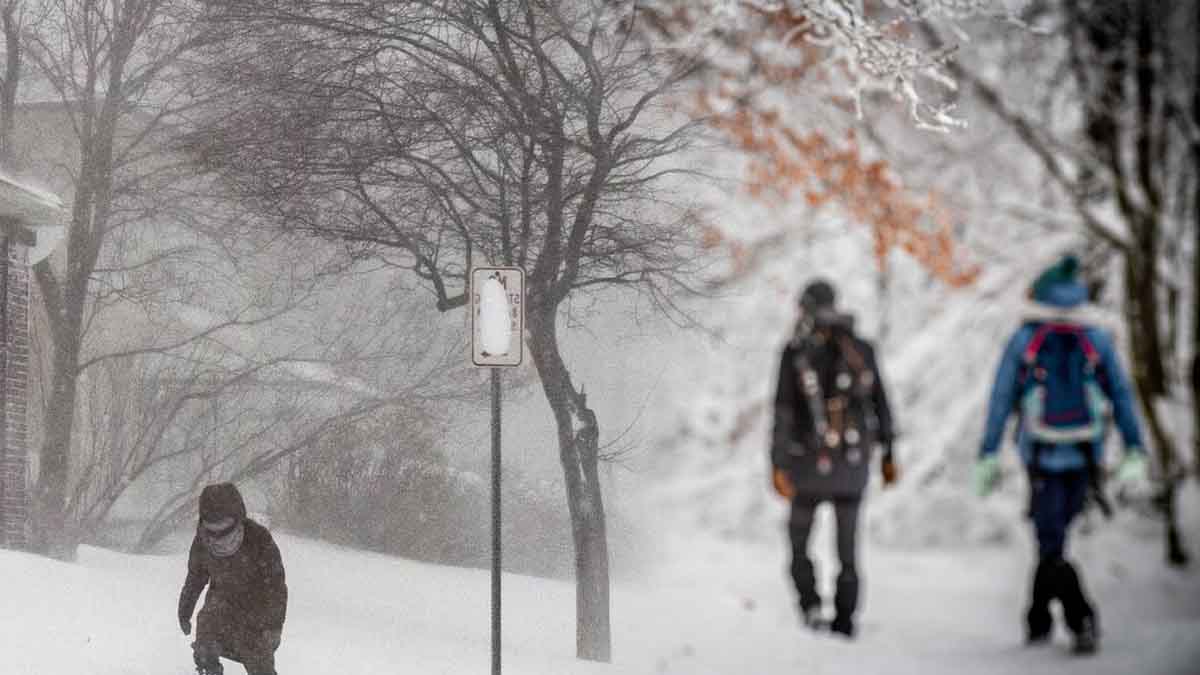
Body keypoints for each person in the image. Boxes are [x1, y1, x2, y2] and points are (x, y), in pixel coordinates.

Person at [975, 254, 1147, 655]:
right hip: (1086, 455)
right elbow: (1120, 394)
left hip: (1041, 457)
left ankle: (1080, 617)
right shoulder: (1095, 339)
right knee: (1052, 539)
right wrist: (1134, 446)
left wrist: (988, 452)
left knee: (1050, 542)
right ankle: (1037, 618)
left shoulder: (1026, 340)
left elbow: (1002, 399)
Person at [770, 279, 897, 638]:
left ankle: (810, 605)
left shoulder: (794, 353)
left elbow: (782, 413)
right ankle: (845, 620)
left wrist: (777, 464)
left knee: (798, 544)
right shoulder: (862, 349)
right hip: (852, 466)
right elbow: (882, 403)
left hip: (806, 466)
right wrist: (889, 452)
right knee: (848, 551)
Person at [179, 482, 288, 675]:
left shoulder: (259, 540)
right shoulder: (203, 541)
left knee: (257, 656)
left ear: (238, 519)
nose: (219, 536)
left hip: (258, 609)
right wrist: (185, 610)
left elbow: (276, 587)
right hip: (221, 603)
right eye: (212, 530)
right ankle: (208, 669)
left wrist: (273, 626)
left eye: (225, 528)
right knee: (206, 630)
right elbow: (196, 576)